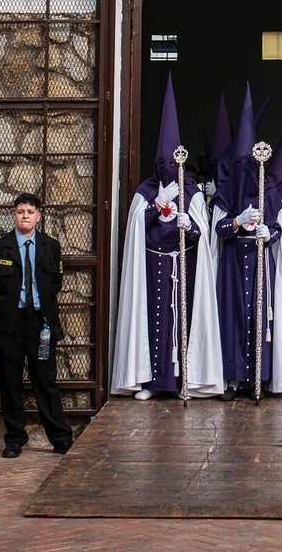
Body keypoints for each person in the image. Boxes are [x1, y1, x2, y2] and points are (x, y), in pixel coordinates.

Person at [112, 75, 213, 400]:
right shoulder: (145, 191)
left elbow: (203, 235)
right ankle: (153, 382)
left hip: (185, 263)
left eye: (174, 162)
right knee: (156, 320)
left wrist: (190, 224)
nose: (169, 167)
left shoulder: (192, 192)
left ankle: (186, 378)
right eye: (163, 163)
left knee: (183, 320)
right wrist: (159, 202)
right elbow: (137, 228)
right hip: (153, 266)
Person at [210, 85, 282, 399]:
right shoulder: (225, 194)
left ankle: (261, 376)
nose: (246, 172)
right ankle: (234, 379)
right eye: (241, 165)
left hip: (262, 262)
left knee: (262, 317)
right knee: (233, 318)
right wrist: (237, 221)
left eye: (251, 165)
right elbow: (218, 229)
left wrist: (267, 233)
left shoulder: (269, 189)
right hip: (233, 264)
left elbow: (279, 228)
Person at [0, 193, 73, 458]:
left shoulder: (50, 246)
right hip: (10, 324)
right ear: (14, 215)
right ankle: (15, 438)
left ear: (39, 216)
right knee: (10, 382)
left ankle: (60, 438)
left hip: (41, 322)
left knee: (46, 381)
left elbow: (55, 284)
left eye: (30, 211)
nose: (25, 215)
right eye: (20, 211)